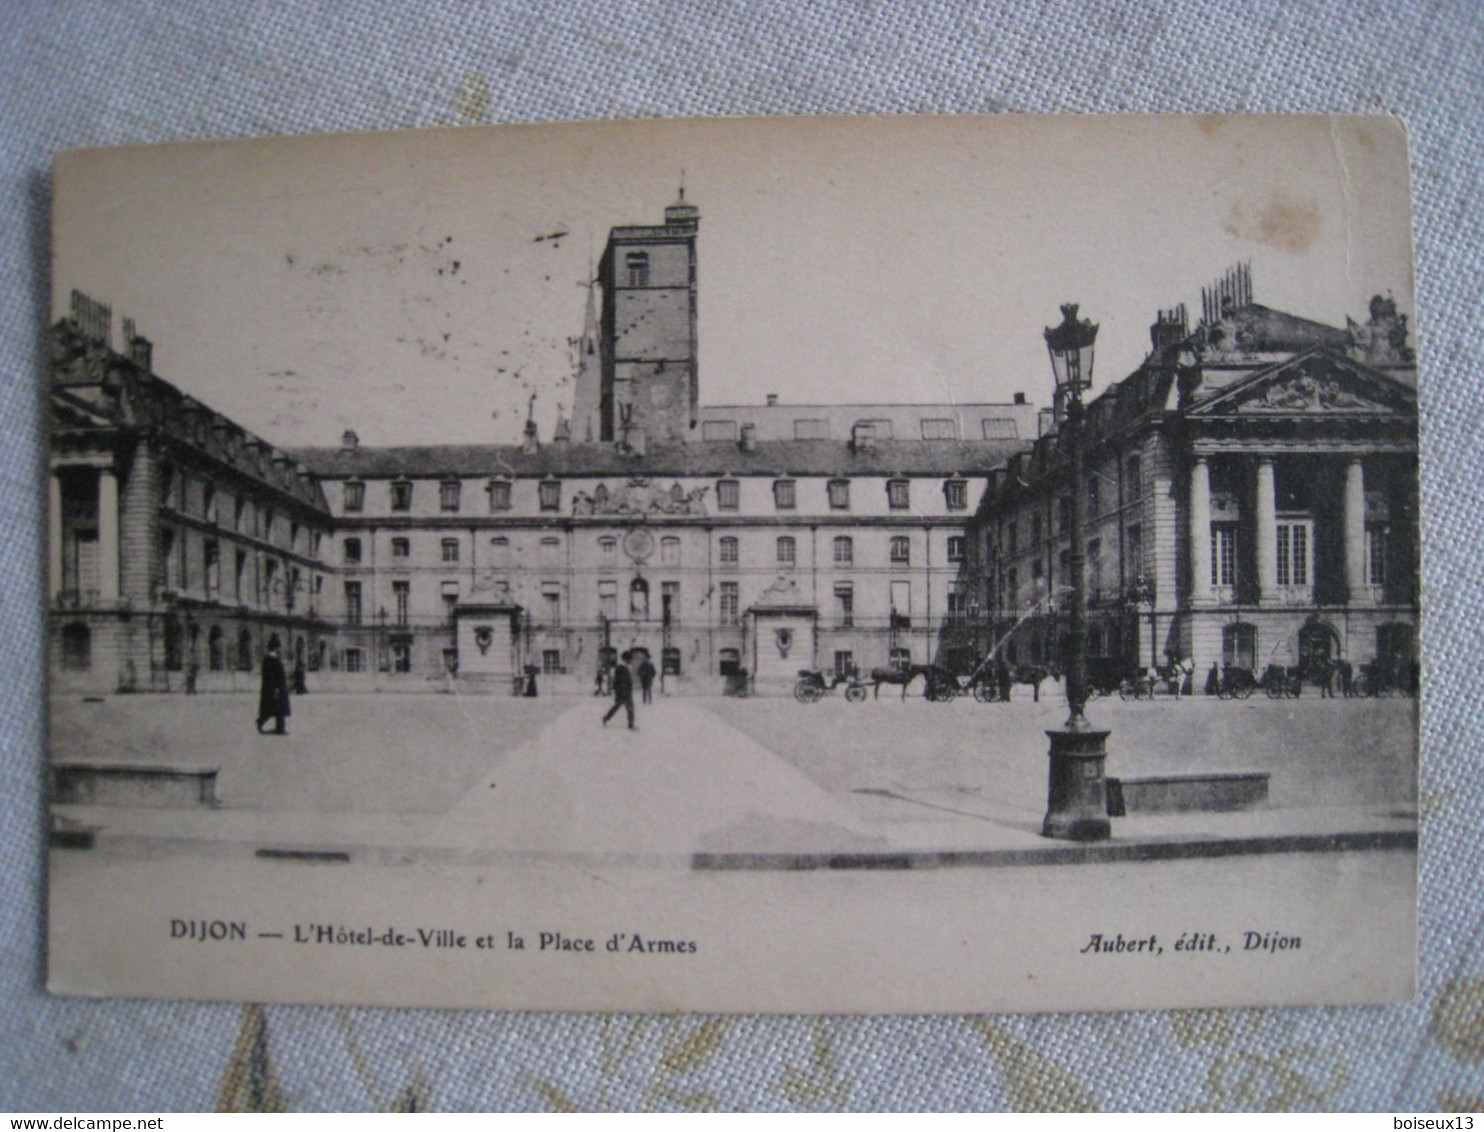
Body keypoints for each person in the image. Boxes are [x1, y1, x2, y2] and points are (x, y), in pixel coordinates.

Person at [256, 642, 291, 735]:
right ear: (275, 648)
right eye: (278, 648)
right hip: (275, 688)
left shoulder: (273, 658)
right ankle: (261, 721)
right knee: (272, 708)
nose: (280, 650)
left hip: (279, 687)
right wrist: (275, 688)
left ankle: (280, 728)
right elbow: (270, 675)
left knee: (278, 709)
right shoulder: (270, 659)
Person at [602, 650, 636, 730]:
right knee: (618, 707)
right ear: (626, 659)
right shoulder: (621, 668)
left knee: (629, 708)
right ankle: (606, 718)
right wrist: (621, 691)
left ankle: (631, 724)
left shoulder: (625, 668)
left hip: (626, 691)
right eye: (629, 659)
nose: (630, 661)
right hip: (623, 692)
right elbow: (619, 681)